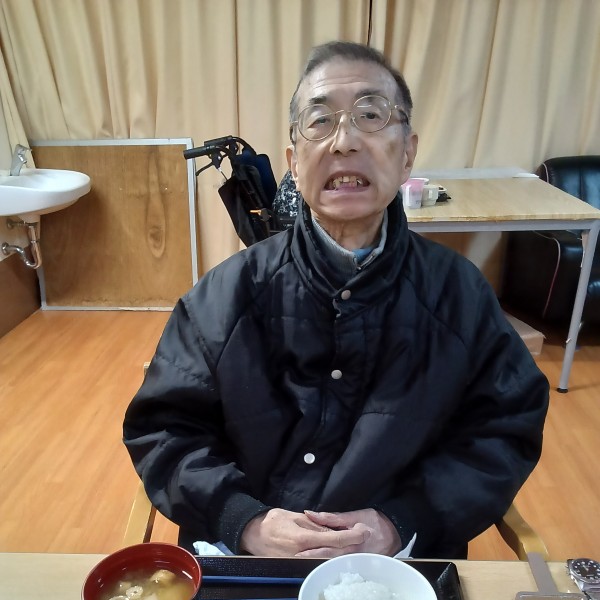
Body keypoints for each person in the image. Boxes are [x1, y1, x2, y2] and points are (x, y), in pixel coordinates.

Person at [123, 40, 549, 560]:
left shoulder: (460, 296)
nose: (344, 141)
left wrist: (403, 521)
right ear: (293, 163)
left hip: (399, 569)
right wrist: (245, 520)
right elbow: (165, 430)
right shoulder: (223, 296)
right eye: (320, 121)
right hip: (248, 566)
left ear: (408, 153)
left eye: (370, 116)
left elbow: (503, 430)